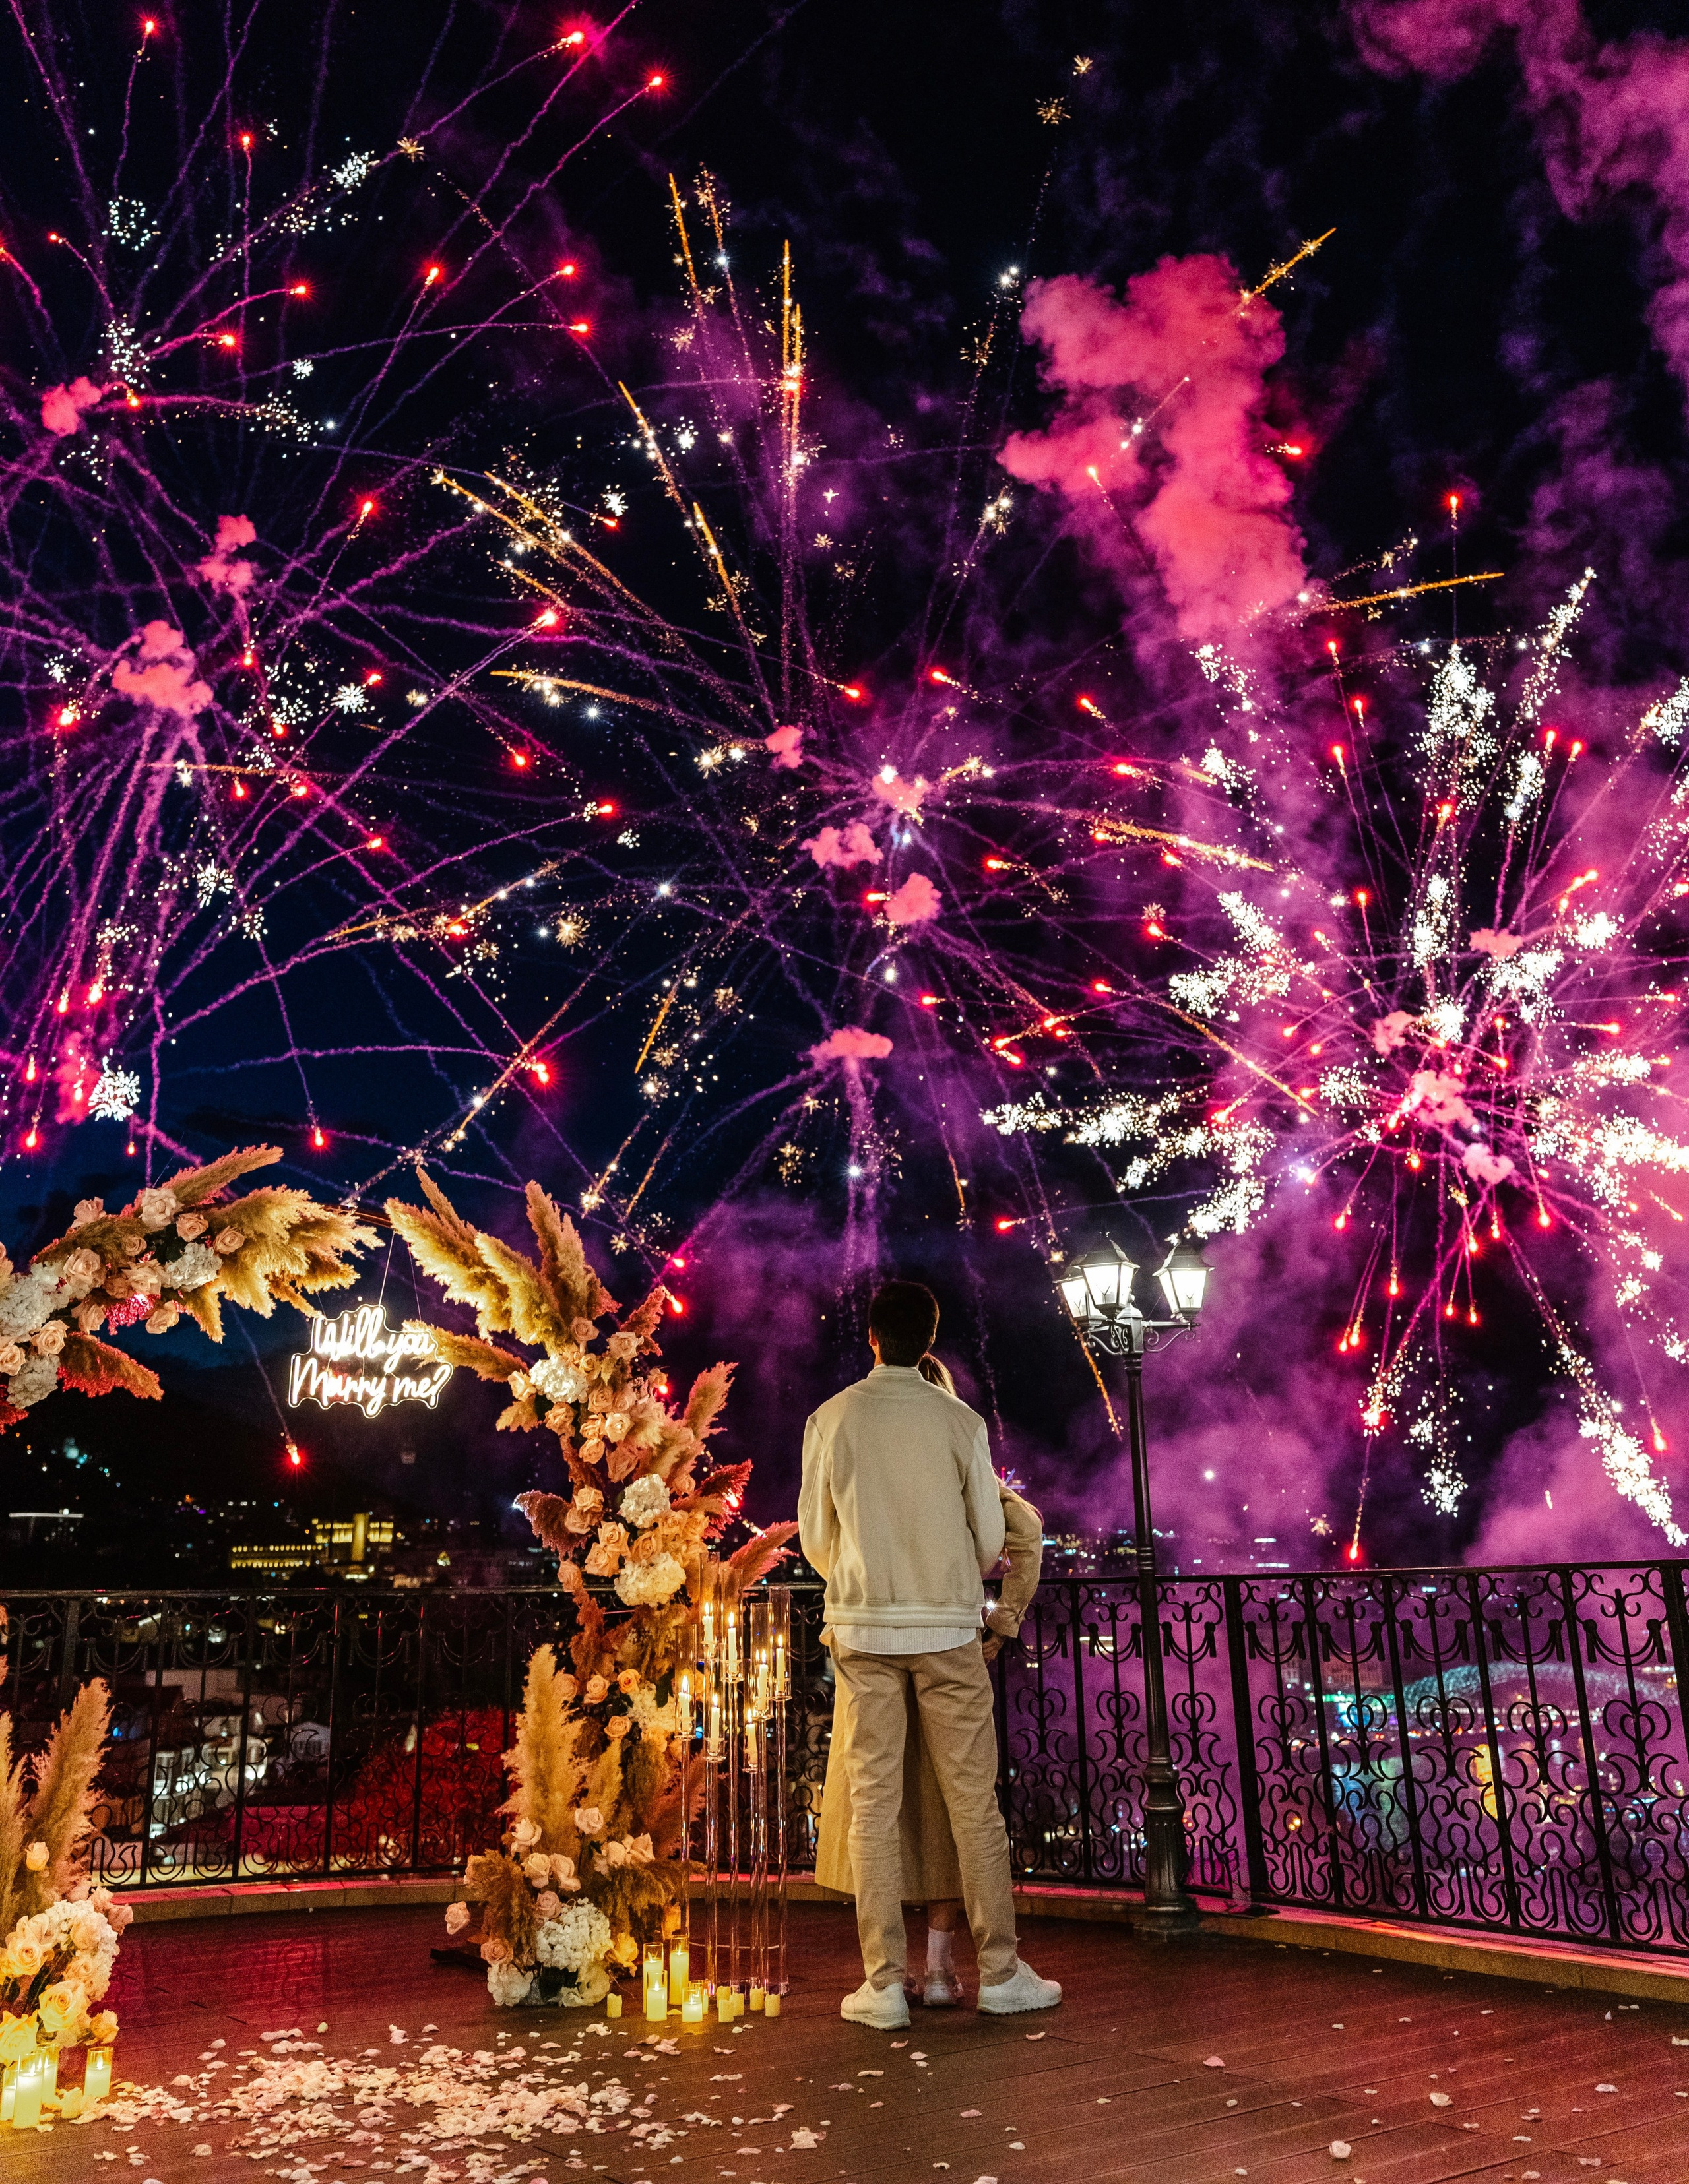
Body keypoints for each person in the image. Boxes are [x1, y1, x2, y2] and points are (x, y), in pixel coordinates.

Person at [798, 1278, 1061, 2030]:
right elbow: (991, 1532)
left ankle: (883, 1985)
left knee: (874, 1804)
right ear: (931, 1339)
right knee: (974, 1804)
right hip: (947, 1632)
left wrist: (862, 1581)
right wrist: (947, 1583)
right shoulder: (960, 1420)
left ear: (872, 1337)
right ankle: (1000, 1972)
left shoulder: (831, 1417)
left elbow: (815, 1535)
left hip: (863, 1631)